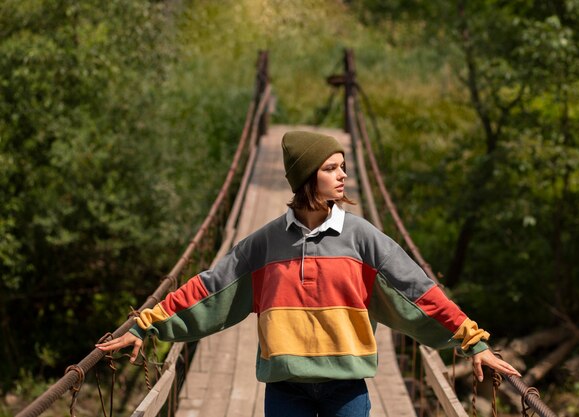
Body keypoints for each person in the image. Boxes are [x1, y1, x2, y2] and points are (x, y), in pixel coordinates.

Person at [97, 131, 520, 417]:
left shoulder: (363, 238)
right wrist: (145, 326)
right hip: (286, 389)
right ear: (305, 177)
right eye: (331, 167)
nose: (343, 175)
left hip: (346, 388)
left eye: (343, 166)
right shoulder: (263, 244)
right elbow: (209, 288)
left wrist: (474, 342)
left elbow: (418, 291)